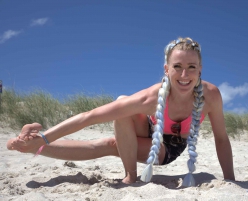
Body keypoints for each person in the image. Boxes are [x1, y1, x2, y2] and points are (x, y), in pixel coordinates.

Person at [7, 37, 235, 185]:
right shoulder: (150, 98)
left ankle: (38, 147)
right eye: (177, 67)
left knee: (110, 145)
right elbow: (90, 117)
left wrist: (230, 180)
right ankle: (37, 145)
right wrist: (45, 135)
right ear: (166, 69)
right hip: (148, 128)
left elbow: (222, 139)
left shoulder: (211, 96)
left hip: (169, 147)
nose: (184, 75)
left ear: (200, 69)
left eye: (191, 67)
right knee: (122, 103)